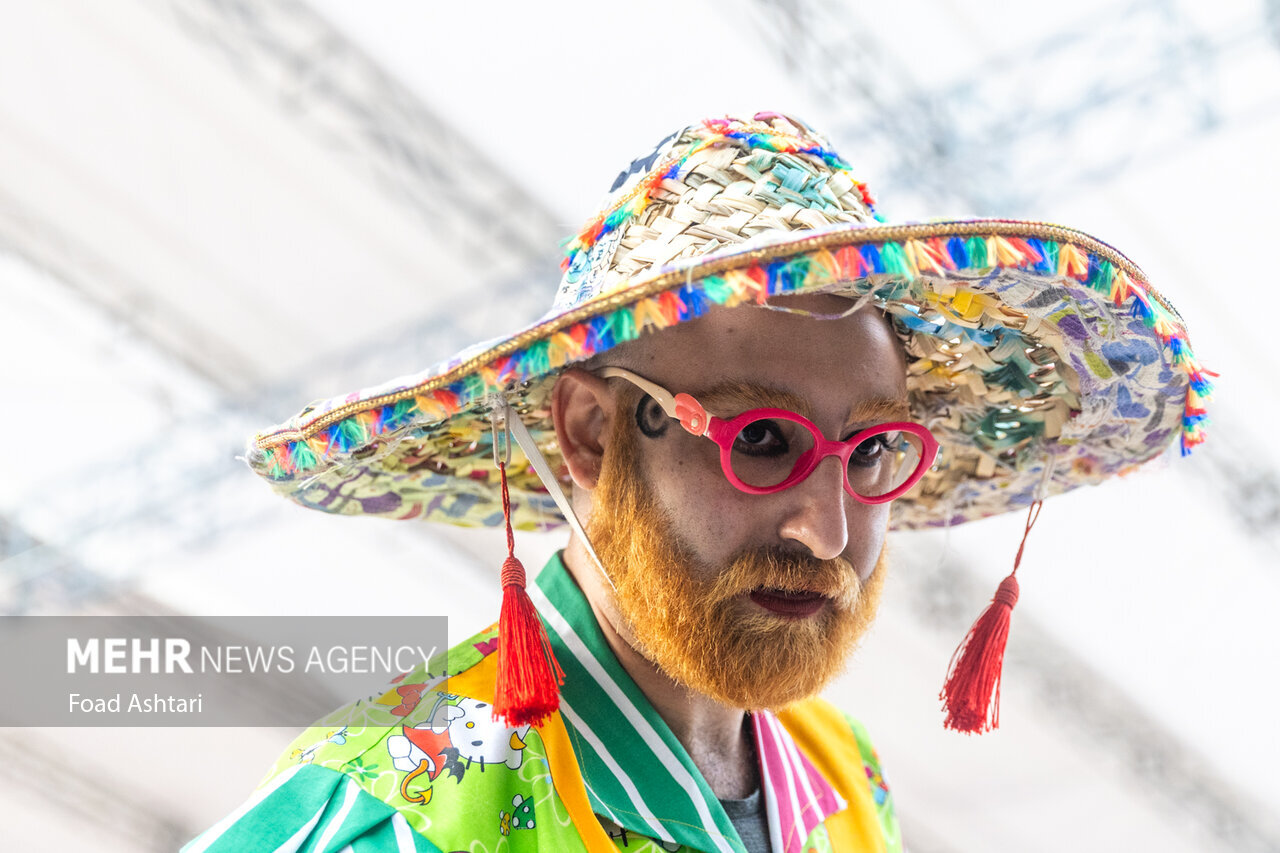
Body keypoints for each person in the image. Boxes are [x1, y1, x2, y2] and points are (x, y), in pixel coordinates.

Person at [185, 113, 1210, 852]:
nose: (824, 528)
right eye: (762, 439)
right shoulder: (403, 811)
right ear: (587, 432)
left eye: (870, 452)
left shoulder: (836, 776)